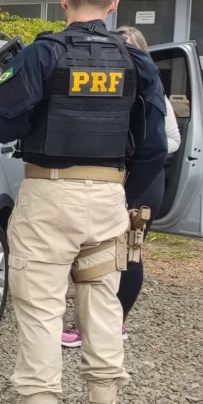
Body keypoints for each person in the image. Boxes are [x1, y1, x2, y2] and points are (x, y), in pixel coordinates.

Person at [0, 0, 167, 404]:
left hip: (49, 195)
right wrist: (131, 198)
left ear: (64, 1)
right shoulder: (136, 61)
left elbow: (2, 126)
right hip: (110, 196)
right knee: (102, 303)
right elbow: (153, 144)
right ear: (114, 5)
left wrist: (5, 77)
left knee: (42, 307)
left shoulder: (45, 53)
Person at [61, 25, 180, 348]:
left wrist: (133, 157)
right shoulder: (108, 86)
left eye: (128, 48)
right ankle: (88, 321)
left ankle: (113, 323)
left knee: (128, 254)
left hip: (141, 181)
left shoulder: (152, 90)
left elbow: (171, 140)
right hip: (107, 179)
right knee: (94, 253)